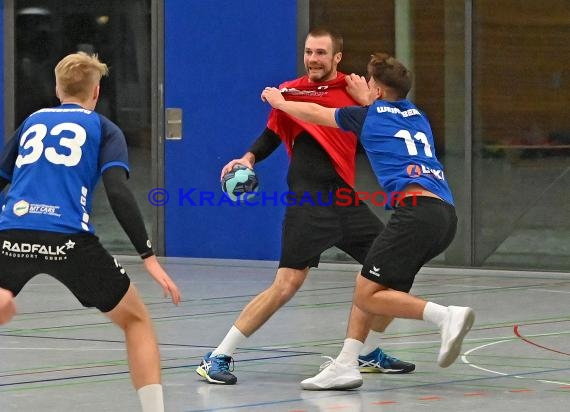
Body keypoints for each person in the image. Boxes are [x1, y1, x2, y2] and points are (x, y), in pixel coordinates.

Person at [196, 28, 415, 387]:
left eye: (321, 53)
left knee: (396, 270)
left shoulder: (354, 90)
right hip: (309, 200)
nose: (313, 59)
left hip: (345, 199)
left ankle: (368, 352)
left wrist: (366, 102)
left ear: (337, 58)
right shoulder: (290, 91)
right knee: (286, 284)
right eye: (309, 52)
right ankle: (217, 356)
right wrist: (248, 158)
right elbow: (272, 134)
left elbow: (384, 124)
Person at [261, 52, 475, 390]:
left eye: (370, 83)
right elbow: (385, 108)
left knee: (366, 295)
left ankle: (445, 316)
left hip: (415, 213)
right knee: (373, 288)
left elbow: (316, 113)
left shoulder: (364, 117)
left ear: (376, 90)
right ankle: (347, 363)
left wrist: (281, 100)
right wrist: (370, 97)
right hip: (445, 216)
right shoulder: (417, 116)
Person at [0, 52, 181, 411]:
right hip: (69, 239)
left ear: (57, 87)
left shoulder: (32, 121)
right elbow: (117, 191)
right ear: (96, 92)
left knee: (3, 299)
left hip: (13, 232)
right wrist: (149, 256)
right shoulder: (104, 128)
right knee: (136, 320)